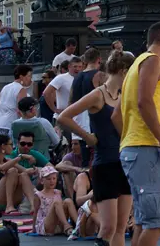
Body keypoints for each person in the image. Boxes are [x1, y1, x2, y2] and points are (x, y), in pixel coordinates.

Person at [113, 22, 160, 246]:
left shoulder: (134, 66)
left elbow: (116, 115)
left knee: (142, 221)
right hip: (145, 149)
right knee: (157, 221)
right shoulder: (153, 61)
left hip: (133, 148)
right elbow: (144, 101)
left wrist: (129, 138)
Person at [59, 53, 134, 246]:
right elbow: (64, 117)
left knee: (121, 226)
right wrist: (87, 137)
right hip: (106, 163)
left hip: (125, 162)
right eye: (131, 73)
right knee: (108, 227)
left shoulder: (123, 94)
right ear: (124, 71)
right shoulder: (98, 94)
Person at [0, 134, 37, 215]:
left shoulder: (7, 160)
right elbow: (3, 167)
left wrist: (37, 169)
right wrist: (21, 157)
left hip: (7, 198)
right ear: (3, 146)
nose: (13, 147)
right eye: (11, 144)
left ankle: (33, 206)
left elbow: (25, 171)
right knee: (12, 171)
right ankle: (9, 206)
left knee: (23, 175)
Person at [33, 165, 77, 236]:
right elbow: (35, 212)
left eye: (54, 178)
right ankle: (67, 226)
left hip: (58, 224)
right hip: (47, 225)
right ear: (42, 181)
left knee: (68, 201)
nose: (52, 181)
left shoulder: (58, 192)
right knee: (57, 202)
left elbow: (61, 210)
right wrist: (33, 229)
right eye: (49, 179)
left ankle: (78, 225)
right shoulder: (38, 195)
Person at [0, 65, 33, 139]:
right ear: (21, 77)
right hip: (11, 126)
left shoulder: (5, 87)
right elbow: (20, 110)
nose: (31, 79)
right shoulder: (21, 89)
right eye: (29, 76)